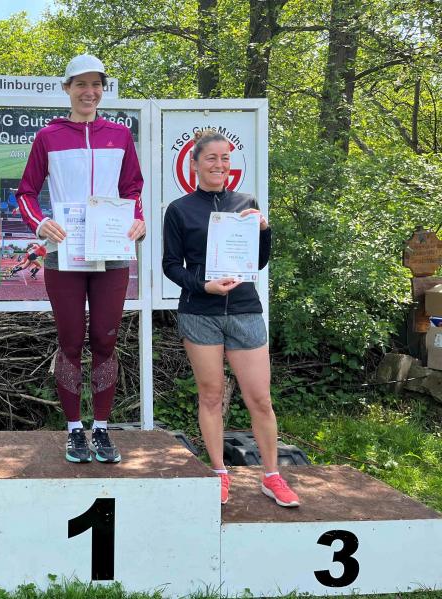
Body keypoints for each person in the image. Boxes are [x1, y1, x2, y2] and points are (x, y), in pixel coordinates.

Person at [17, 54, 145, 464]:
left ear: (103, 89)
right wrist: (41, 224)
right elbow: (26, 192)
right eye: (81, 84)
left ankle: (102, 428)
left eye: (96, 85)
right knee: (70, 342)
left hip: (111, 252)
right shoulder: (48, 136)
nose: (89, 92)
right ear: (67, 88)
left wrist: (138, 220)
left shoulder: (120, 135)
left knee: (106, 340)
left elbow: (133, 188)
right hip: (65, 255)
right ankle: (74, 429)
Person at [162, 129, 300, 508]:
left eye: (225, 158)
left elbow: (258, 262)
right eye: (211, 158)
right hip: (200, 313)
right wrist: (204, 286)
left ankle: (271, 476)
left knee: (260, 399)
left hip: (244, 310)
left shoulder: (246, 203)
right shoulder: (179, 209)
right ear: (194, 164)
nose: (219, 164)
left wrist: (265, 231)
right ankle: (220, 472)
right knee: (210, 396)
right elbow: (171, 265)